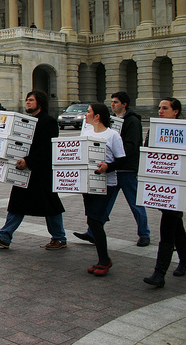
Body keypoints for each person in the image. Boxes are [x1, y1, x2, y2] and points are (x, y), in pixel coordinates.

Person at [0, 90, 66, 249]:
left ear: (39, 102)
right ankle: (5, 236)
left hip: (41, 171)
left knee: (50, 204)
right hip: (24, 169)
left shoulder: (48, 121)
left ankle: (59, 237)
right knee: (17, 202)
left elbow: (47, 148)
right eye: (27, 100)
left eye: (31, 100)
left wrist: (29, 161)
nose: (27, 102)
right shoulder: (27, 120)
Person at [74, 91, 150, 246]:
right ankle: (93, 232)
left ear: (124, 104)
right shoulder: (114, 122)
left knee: (135, 203)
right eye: (112, 102)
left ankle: (144, 234)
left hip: (126, 169)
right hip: (111, 170)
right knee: (105, 204)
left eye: (115, 102)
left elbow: (131, 146)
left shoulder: (132, 121)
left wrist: (114, 159)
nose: (112, 104)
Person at [143, 97, 186, 287]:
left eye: (165, 108)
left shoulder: (183, 130)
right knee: (176, 226)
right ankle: (184, 261)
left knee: (168, 227)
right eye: (159, 108)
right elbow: (147, 153)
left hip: (178, 187)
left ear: (176, 111)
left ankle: (159, 273)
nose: (160, 111)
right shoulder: (154, 129)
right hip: (162, 187)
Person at [82, 103, 126, 276]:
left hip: (106, 184)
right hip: (88, 183)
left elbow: (122, 160)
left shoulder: (112, 135)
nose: (86, 115)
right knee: (93, 220)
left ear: (97, 116)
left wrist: (108, 166)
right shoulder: (86, 133)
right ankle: (103, 259)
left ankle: (104, 260)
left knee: (95, 221)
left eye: (88, 112)